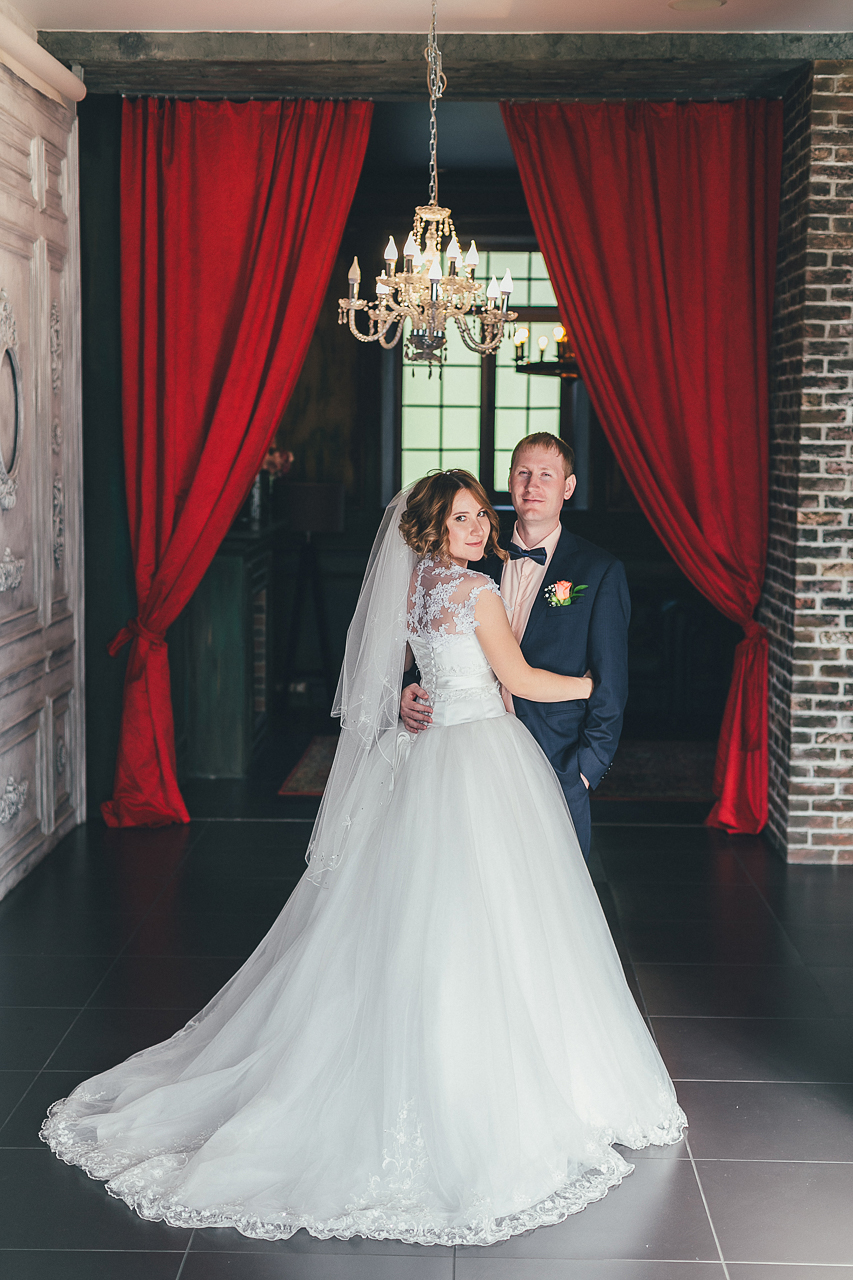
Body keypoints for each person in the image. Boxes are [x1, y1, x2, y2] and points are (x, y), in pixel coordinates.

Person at [41, 471, 684, 1247]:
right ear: (433, 528)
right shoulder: (475, 591)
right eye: (462, 519)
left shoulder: (416, 589)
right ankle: (483, 1074)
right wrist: (585, 683)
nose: (479, 528)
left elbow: (401, 676)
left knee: (421, 915)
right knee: (494, 916)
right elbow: (515, 679)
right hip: (478, 758)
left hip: (427, 762)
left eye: (480, 516)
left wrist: (412, 695)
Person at [402, 433, 629, 860]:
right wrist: (408, 689)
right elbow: (436, 643)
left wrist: (586, 768)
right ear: (508, 480)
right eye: (523, 473)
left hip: (558, 758)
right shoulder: (474, 556)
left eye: (546, 475)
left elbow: (611, 680)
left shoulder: (599, 571)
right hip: (463, 760)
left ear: (568, 487)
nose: (532, 486)